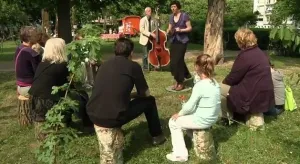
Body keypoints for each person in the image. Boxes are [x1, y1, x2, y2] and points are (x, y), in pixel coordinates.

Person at [87, 38, 166, 147]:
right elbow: (145, 94)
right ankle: (157, 136)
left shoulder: (104, 65)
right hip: (112, 118)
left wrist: (129, 95)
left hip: (92, 114)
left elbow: (107, 90)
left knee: (115, 102)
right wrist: (133, 95)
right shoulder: (133, 66)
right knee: (150, 101)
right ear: (131, 52)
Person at [29, 38, 93, 139]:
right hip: (47, 100)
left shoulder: (43, 63)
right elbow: (68, 86)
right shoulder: (61, 66)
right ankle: (87, 125)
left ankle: (66, 123)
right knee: (81, 97)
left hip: (36, 97)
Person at [166, 54, 221, 162]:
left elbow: (190, 107)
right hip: (213, 118)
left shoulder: (200, 85)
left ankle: (180, 154)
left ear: (197, 67)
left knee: (173, 122)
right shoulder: (215, 83)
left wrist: (179, 114)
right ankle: (194, 139)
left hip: (202, 120)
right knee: (186, 117)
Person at [220, 28, 274, 123]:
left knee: (217, 88)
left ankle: (228, 118)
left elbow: (233, 78)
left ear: (241, 41)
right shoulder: (261, 53)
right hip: (265, 96)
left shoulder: (245, 55)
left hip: (251, 95)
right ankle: (252, 116)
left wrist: (222, 83)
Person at [166, 0, 192, 91]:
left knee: (178, 61)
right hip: (173, 41)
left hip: (182, 42)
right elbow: (169, 28)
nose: (173, 8)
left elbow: (189, 28)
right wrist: (168, 31)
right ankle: (179, 78)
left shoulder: (184, 16)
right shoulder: (171, 17)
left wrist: (181, 30)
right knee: (173, 62)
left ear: (178, 7)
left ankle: (180, 82)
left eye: (174, 6)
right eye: (171, 7)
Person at [15, 26, 42, 97]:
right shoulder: (31, 52)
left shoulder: (19, 48)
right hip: (29, 88)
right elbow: (39, 72)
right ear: (29, 38)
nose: (38, 36)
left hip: (20, 87)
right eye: (35, 35)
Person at [139, 7, 156, 71]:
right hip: (144, 40)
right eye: (148, 11)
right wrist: (150, 34)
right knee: (145, 55)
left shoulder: (153, 20)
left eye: (150, 11)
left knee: (152, 54)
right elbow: (141, 30)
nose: (150, 12)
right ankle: (145, 68)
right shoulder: (142, 19)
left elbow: (155, 28)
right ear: (146, 12)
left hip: (152, 40)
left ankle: (152, 66)